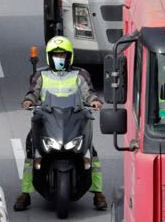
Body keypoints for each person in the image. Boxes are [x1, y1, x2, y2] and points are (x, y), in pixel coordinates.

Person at [15, 34, 106, 212]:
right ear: (50, 57)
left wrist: (95, 101)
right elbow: (33, 93)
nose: (59, 58)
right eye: (56, 55)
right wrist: (28, 101)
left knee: (91, 155)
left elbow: (89, 93)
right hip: (47, 120)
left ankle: (98, 193)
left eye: (62, 55)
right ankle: (25, 193)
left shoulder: (80, 75)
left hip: (74, 120)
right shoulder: (41, 75)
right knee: (31, 154)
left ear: (69, 56)